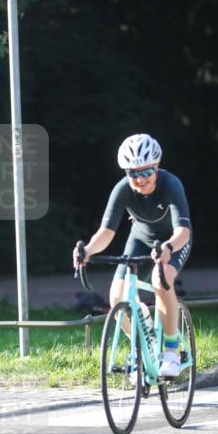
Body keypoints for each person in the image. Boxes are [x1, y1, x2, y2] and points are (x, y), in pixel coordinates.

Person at [73, 133, 192, 378]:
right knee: (117, 296)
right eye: (132, 173)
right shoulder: (122, 190)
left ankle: (171, 351)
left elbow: (184, 231)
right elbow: (106, 232)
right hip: (139, 240)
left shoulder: (171, 184)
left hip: (172, 241)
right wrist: (88, 251)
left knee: (161, 281)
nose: (139, 179)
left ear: (156, 167)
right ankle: (142, 346)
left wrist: (168, 248)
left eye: (145, 172)